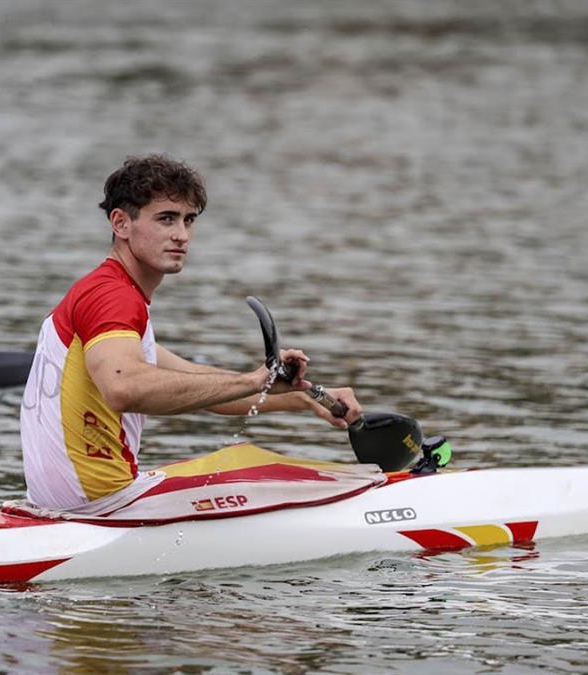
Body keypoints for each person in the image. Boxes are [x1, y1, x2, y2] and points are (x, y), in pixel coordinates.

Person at [19, 154, 363, 511]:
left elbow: (201, 388)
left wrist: (305, 398)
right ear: (120, 223)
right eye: (166, 219)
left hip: (65, 503)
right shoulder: (113, 297)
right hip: (102, 503)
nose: (181, 235)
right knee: (274, 470)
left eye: (189, 220)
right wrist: (252, 380)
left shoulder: (102, 294)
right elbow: (124, 388)